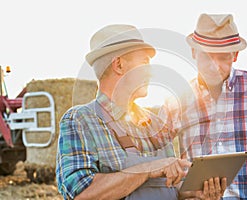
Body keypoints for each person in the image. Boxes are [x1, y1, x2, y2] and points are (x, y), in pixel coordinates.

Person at [56, 24, 226, 200]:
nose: (151, 72)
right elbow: (81, 195)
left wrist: (194, 193)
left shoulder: (154, 124)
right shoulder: (81, 120)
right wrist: (148, 169)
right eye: (145, 62)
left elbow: (167, 189)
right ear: (119, 65)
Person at [161, 13, 247, 199]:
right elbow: (158, 164)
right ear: (194, 53)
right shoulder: (177, 100)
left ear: (235, 55)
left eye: (222, 58)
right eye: (207, 57)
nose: (214, 66)